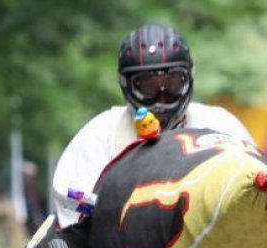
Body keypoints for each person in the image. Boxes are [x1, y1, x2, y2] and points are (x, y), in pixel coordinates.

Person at [50, 23, 254, 228]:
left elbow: (256, 183)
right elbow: (68, 195)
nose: (162, 96)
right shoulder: (101, 135)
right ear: (126, 84)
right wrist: (114, 209)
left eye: (173, 81)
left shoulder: (220, 125)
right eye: (148, 86)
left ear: (189, 76)